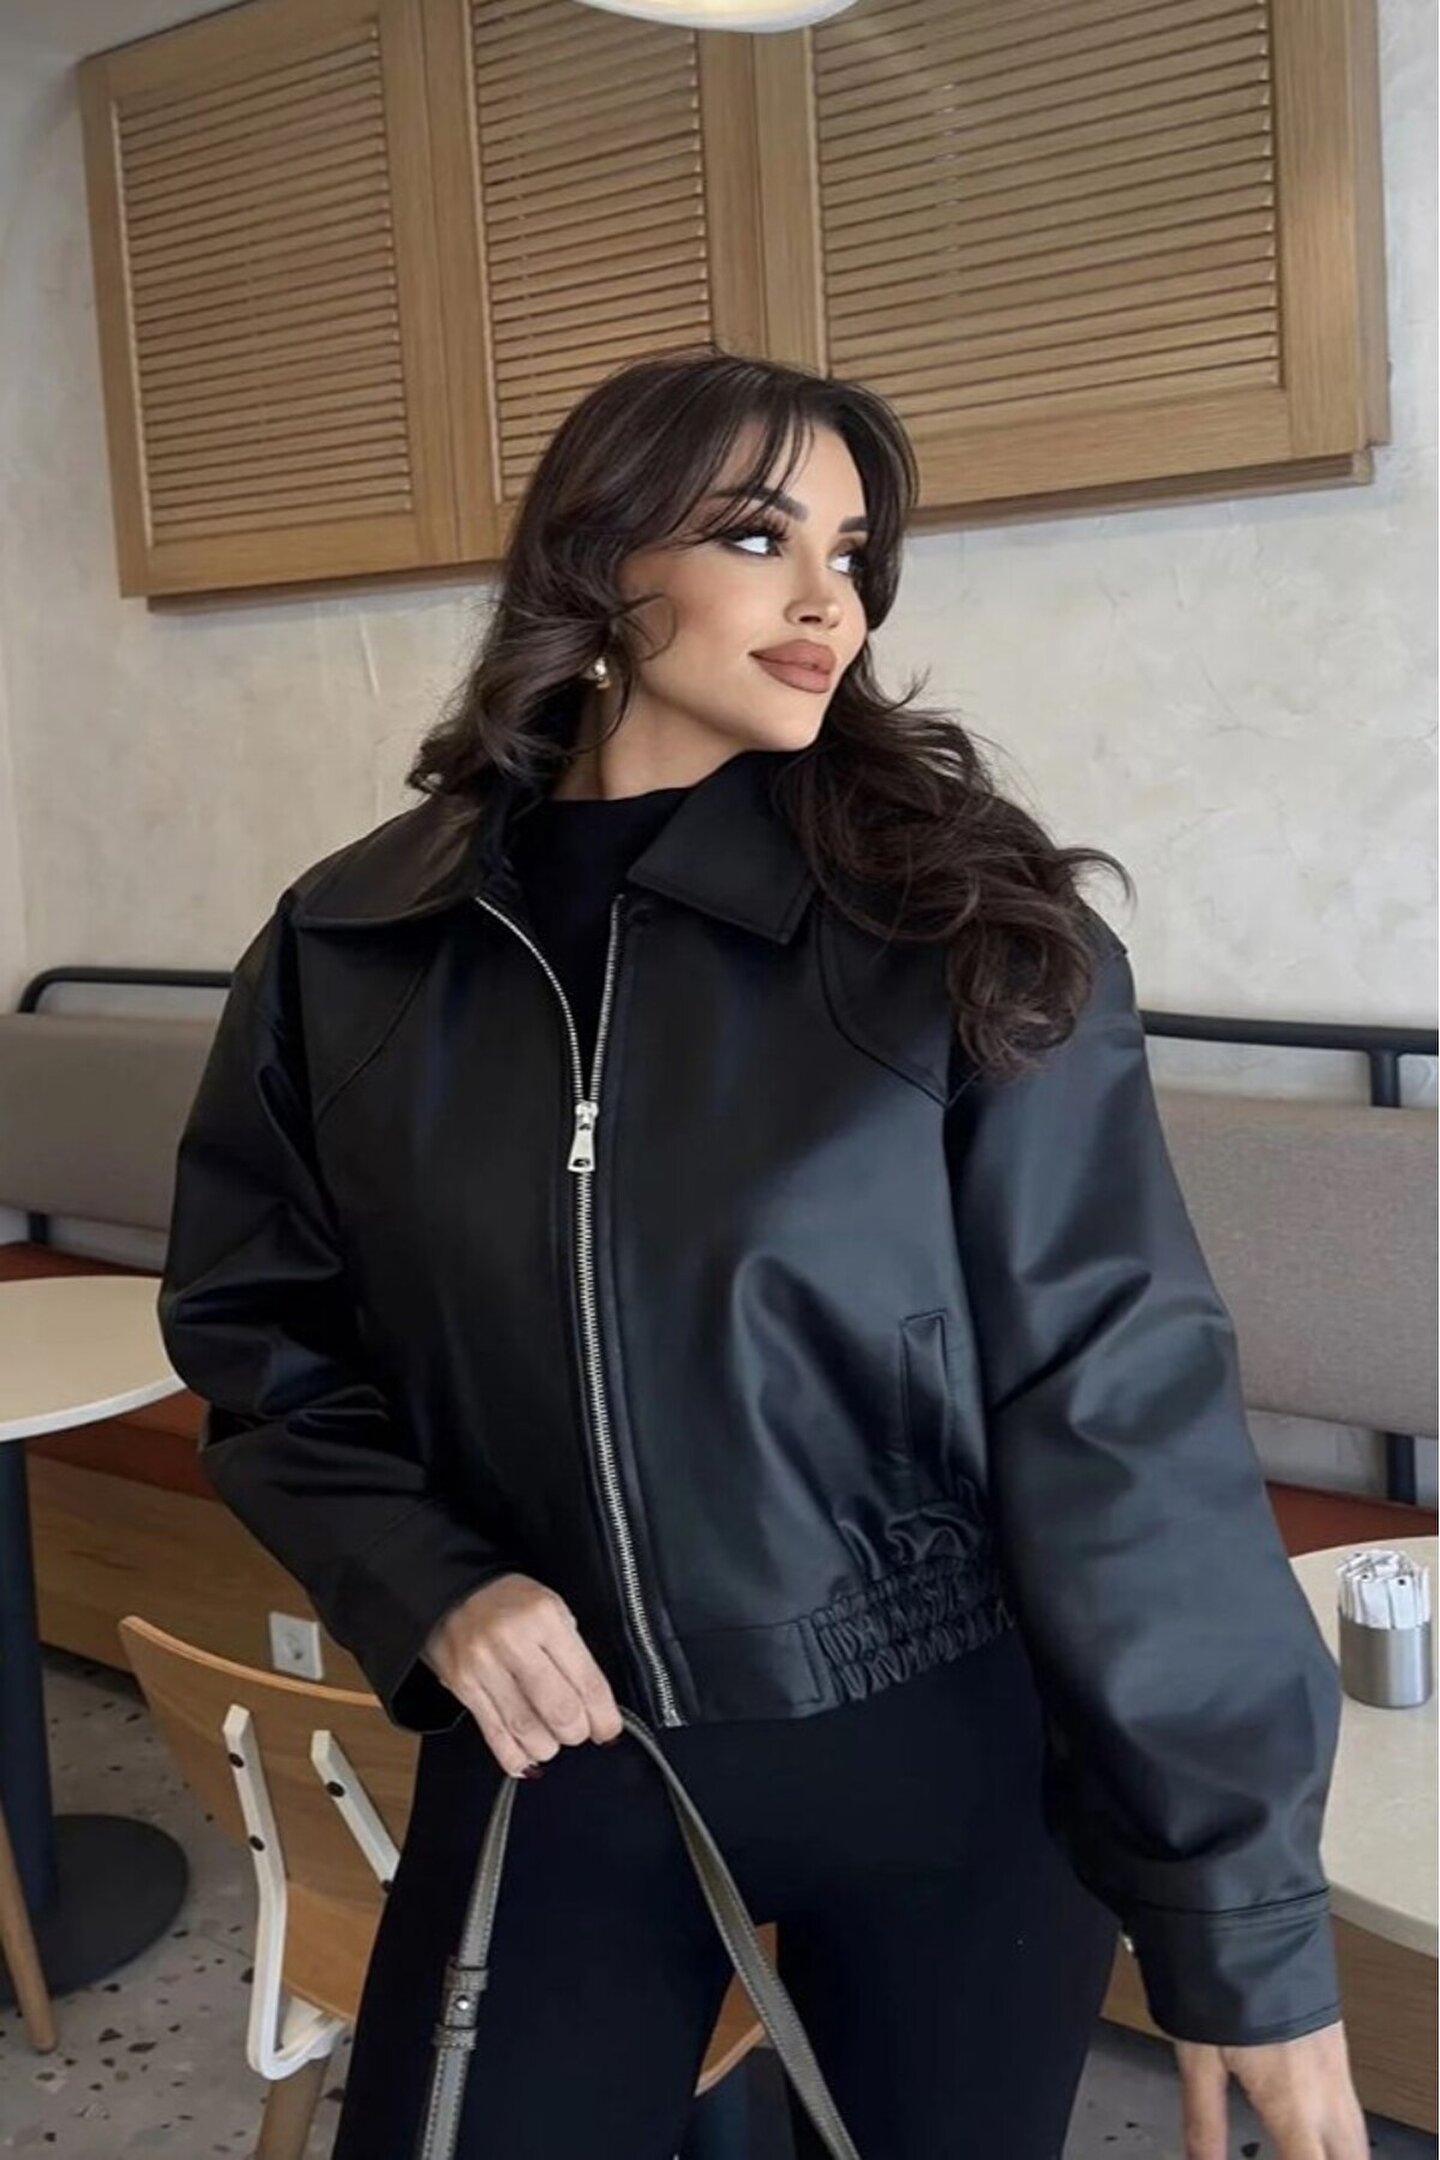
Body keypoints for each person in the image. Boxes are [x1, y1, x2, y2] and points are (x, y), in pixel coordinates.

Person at [157, 348, 1368, 2160]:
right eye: (756, 535)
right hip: (569, 1753)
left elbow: (1115, 1413)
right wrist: (430, 1582)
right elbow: (261, 1340)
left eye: (854, 553)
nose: (830, 601)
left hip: (947, 1758)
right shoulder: (355, 947)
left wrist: (1243, 1917)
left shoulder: (955, 926)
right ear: (597, 558)